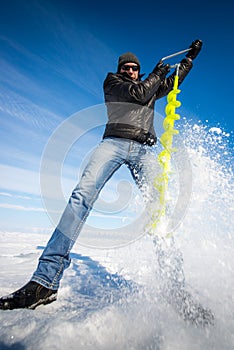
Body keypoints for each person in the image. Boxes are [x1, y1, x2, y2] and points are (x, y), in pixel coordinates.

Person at [0, 40, 206, 316]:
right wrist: (156, 74)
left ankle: (176, 289)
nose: (130, 71)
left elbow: (170, 84)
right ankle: (45, 282)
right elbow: (137, 94)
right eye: (126, 67)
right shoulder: (114, 83)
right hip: (113, 143)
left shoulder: (147, 84)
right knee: (81, 196)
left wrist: (188, 61)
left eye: (134, 68)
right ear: (120, 70)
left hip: (144, 150)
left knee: (161, 211)